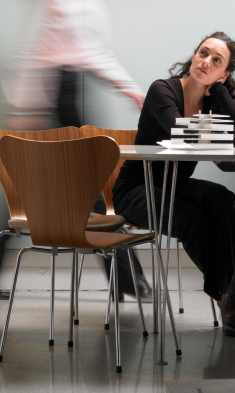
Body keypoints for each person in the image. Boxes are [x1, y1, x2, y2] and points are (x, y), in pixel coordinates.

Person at [0, 0, 150, 298]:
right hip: (51, 95)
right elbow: (28, 49)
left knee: (63, 183)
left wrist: (130, 89)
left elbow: (94, 52)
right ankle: (126, 278)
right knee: (85, 182)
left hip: (76, 90)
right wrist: (19, 105)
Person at [113, 32, 235, 331]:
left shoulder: (213, 103)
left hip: (175, 185)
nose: (205, 62)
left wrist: (221, 96)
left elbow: (225, 155)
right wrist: (217, 130)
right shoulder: (163, 90)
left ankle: (232, 292)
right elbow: (183, 134)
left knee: (224, 199)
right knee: (192, 220)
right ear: (194, 55)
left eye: (216, 60)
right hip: (135, 189)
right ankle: (227, 296)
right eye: (203, 53)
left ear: (224, 74)